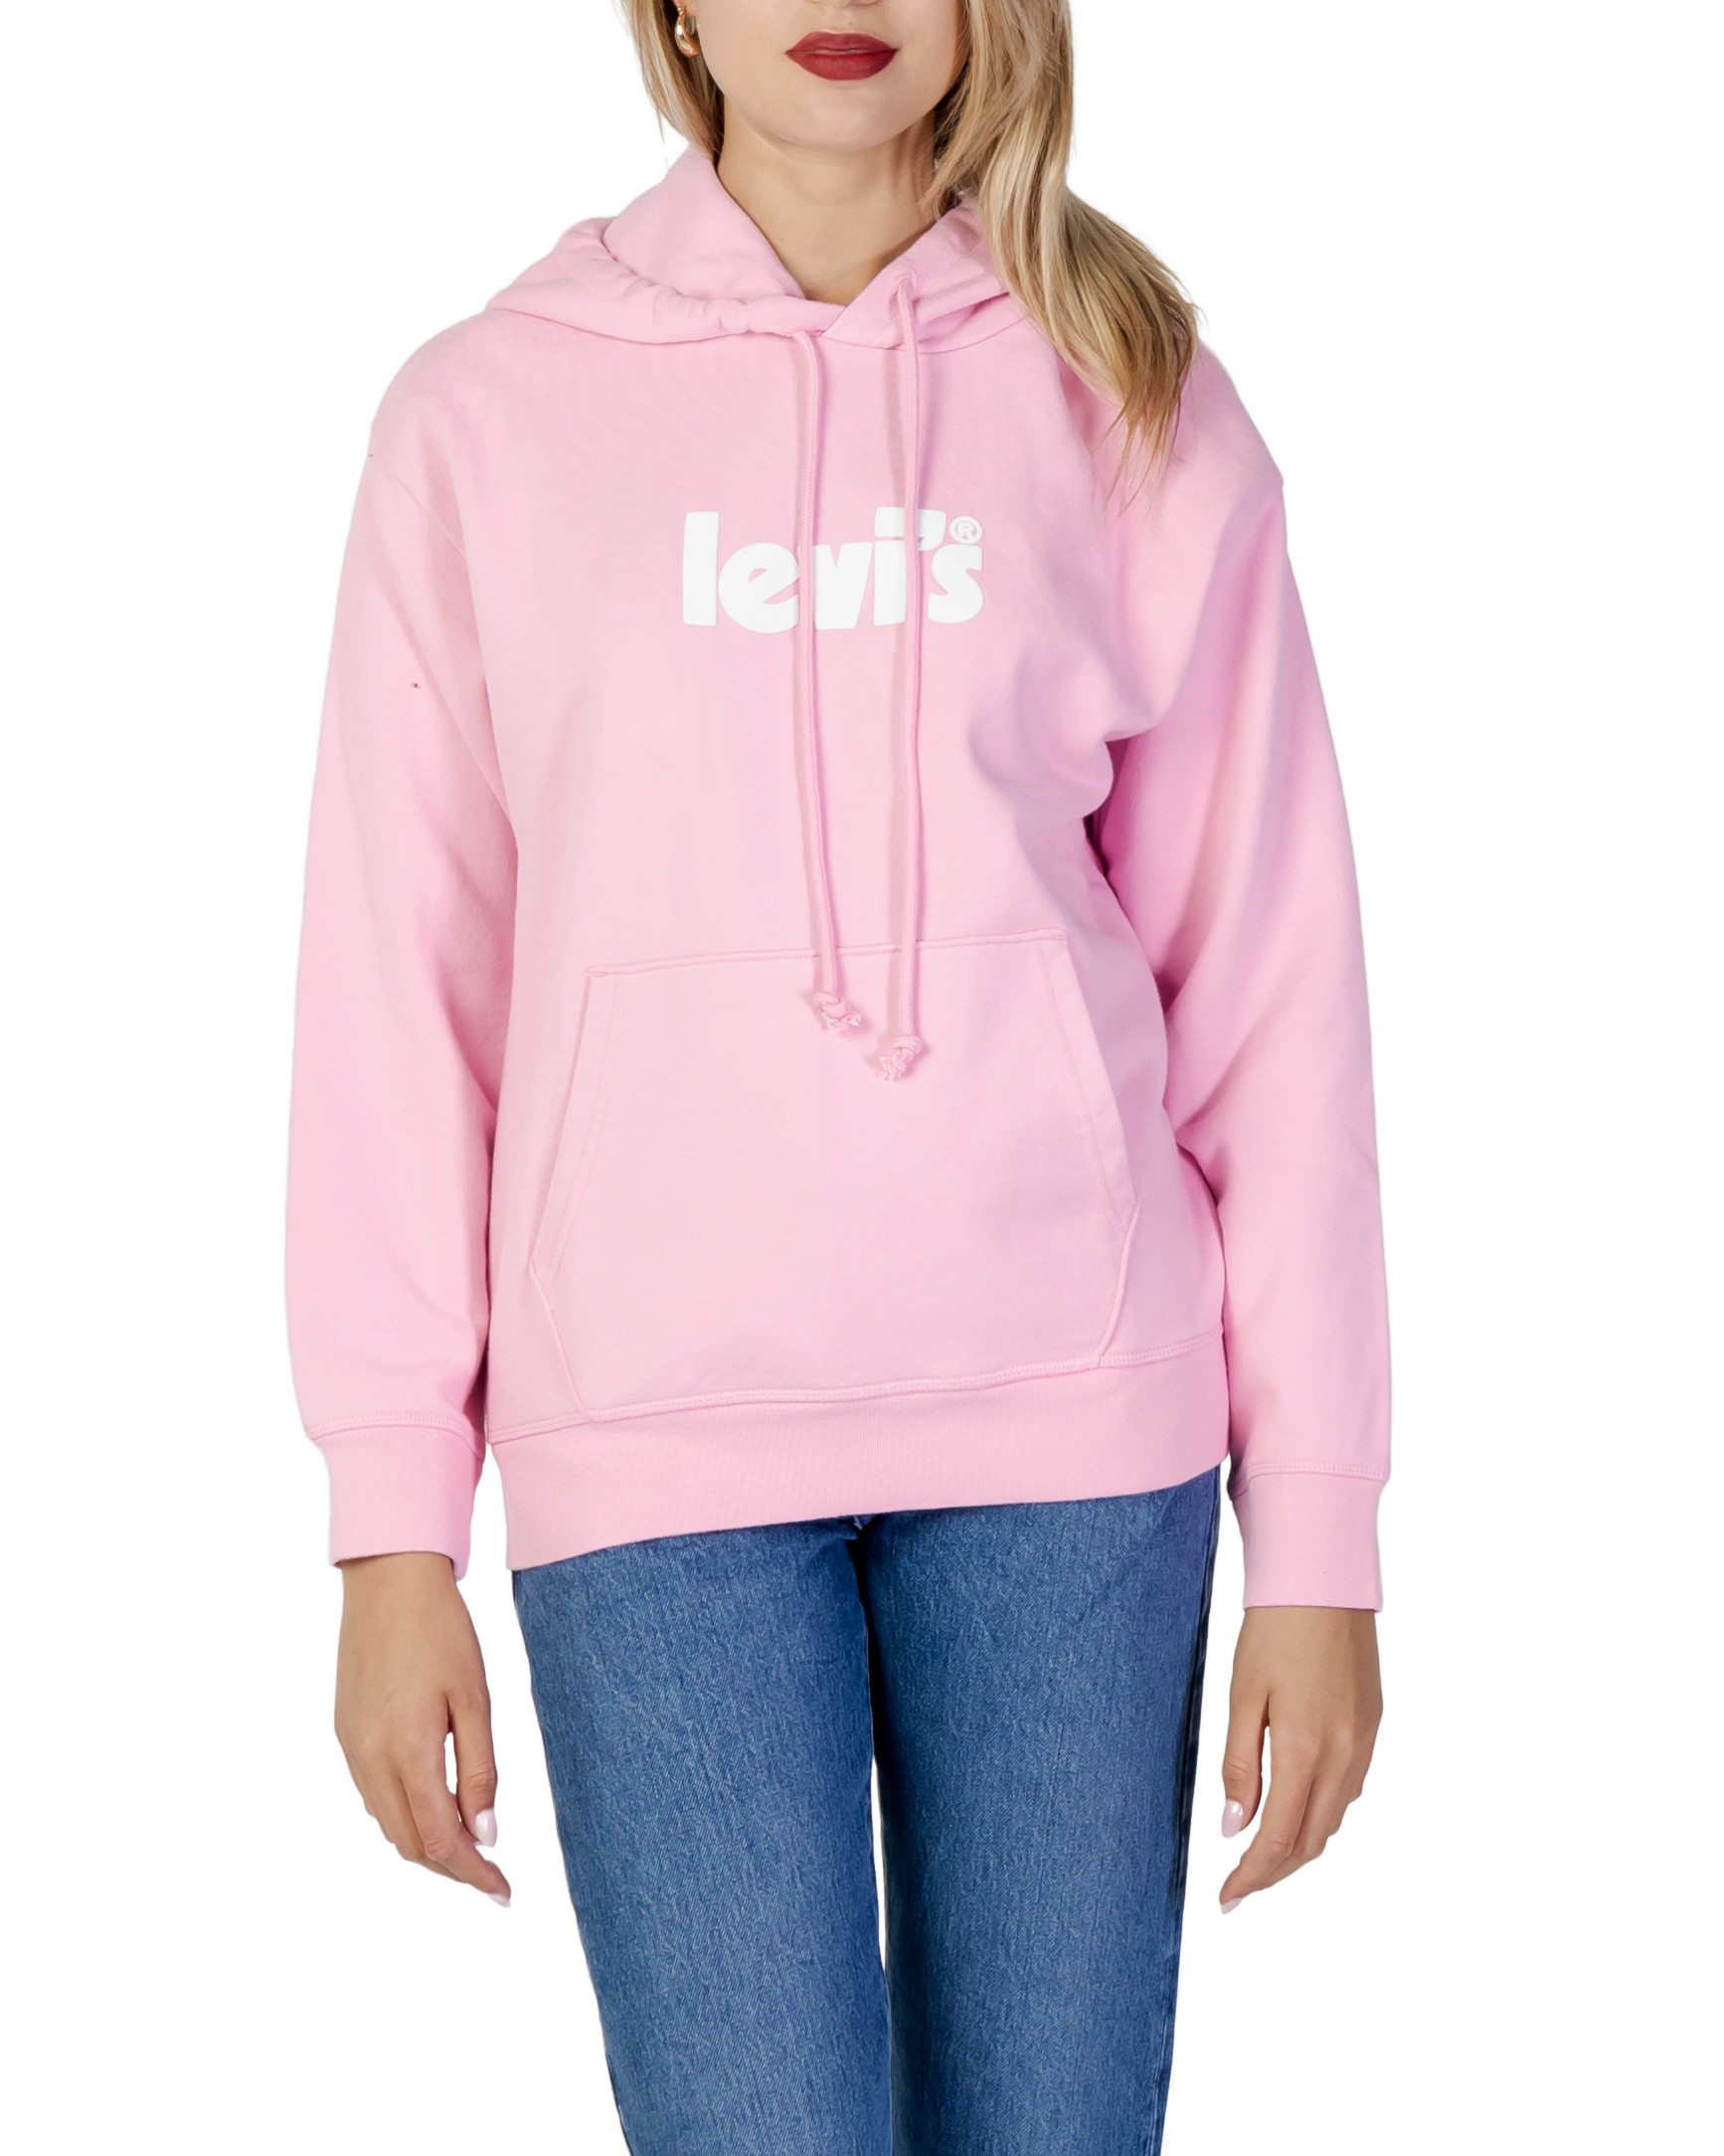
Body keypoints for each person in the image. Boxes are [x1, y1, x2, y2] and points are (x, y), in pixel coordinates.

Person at [286, 1, 1390, 2147]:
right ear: (675, 11)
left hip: (1078, 1434)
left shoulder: (1128, 392)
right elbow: (400, 984)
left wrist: (1321, 1533)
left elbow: (1275, 983)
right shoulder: (483, 418)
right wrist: (389, 1519)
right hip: (654, 1451)